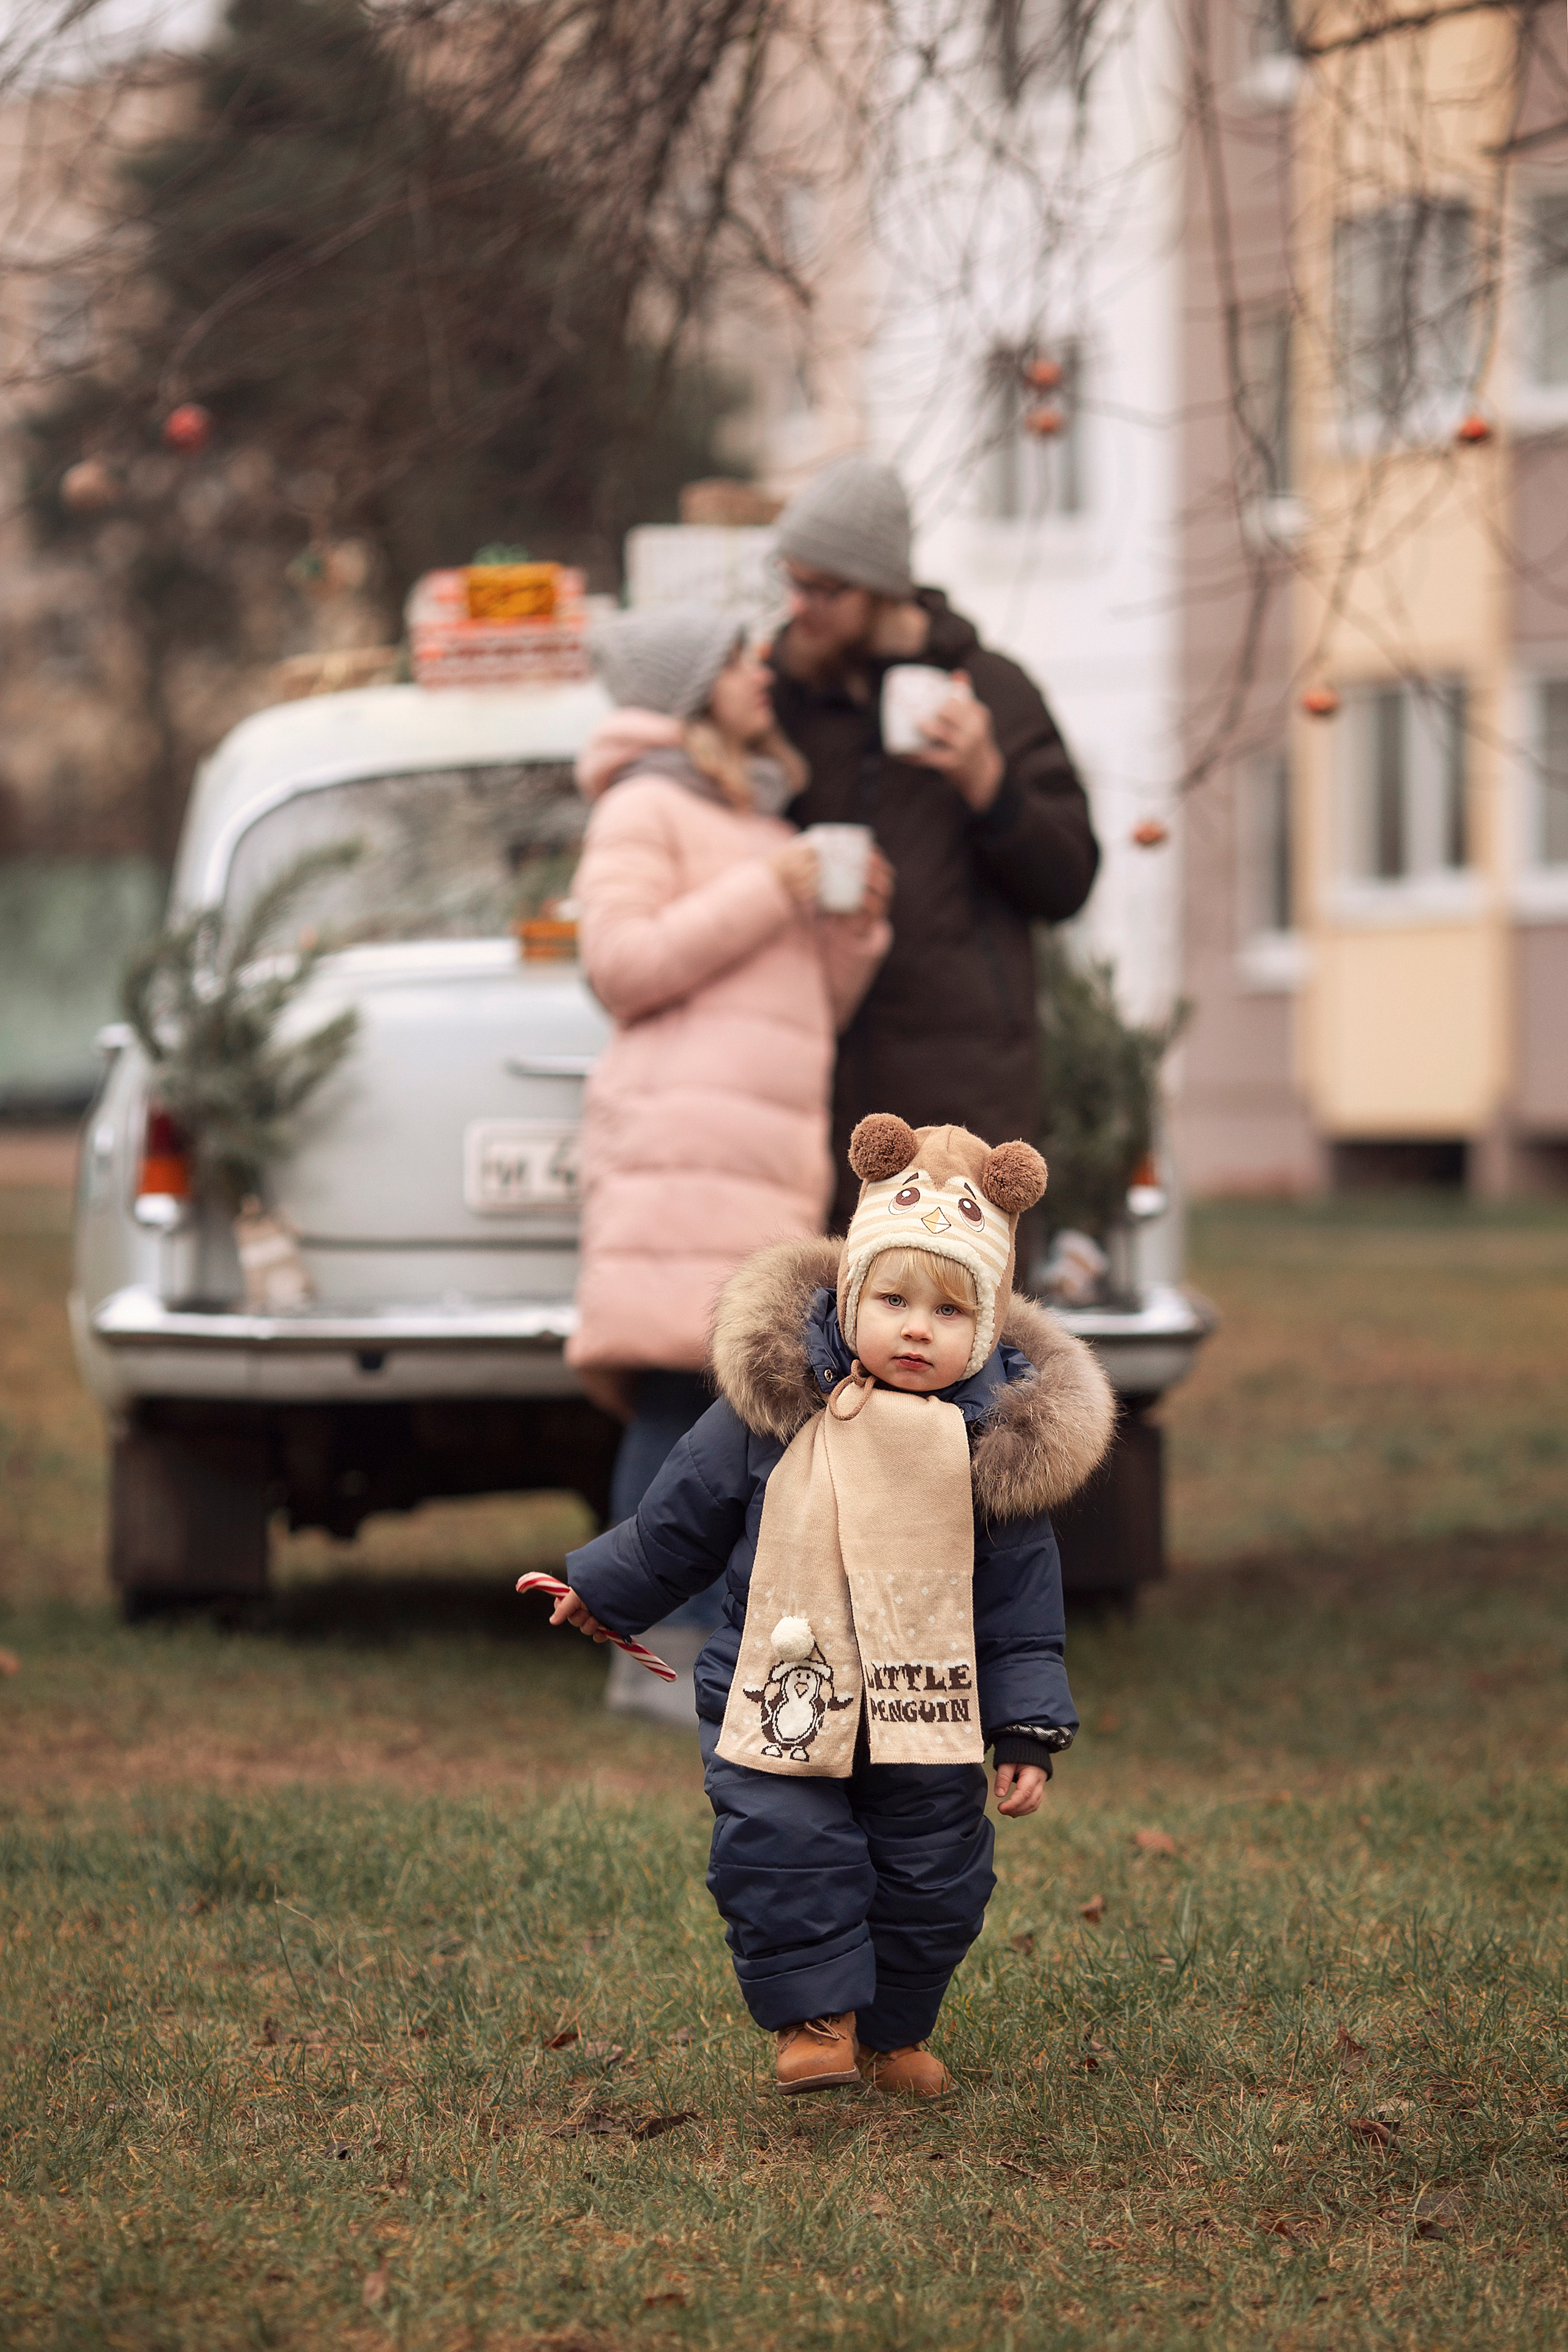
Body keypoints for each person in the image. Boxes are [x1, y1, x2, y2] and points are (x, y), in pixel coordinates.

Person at [546, 1111, 1115, 2097]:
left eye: (947, 1313)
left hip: (927, 1704)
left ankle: (893, 2032)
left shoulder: (992, 1456)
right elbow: (679, 1518)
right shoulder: (774, 1410)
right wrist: (606, 1590)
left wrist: (1025, 1729)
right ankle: (816, 2019)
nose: (914, 1328)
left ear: (982, 1330)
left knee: (933, 1874)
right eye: (892, 1298)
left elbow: (1023, 1610)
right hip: (781, 1682)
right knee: (781, 1847)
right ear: (850, 1295)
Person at [568, 603, 892, 1538]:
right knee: (681, 1401)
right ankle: (652, 1644)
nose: (764, 673)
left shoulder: (759, 818)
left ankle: (722, 1646)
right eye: (740, 659)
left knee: (748, 1416)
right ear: (692, 691)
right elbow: (620, 965)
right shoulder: (642, 806)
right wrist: (771, 890)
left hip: (764, 1163)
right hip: (683, 1159)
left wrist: (854, 928)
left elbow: (802, 1012)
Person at [767, 456, 1099, 1229]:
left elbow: (1069, 881)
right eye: (791, 583)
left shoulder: (993, 691)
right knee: (828, 1325)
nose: (799, 607)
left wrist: (990, 782)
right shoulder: (784, 696)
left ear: (881, 585)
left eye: (823, 589)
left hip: (965, 1078)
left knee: (957, 1322)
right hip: (818, 1065)